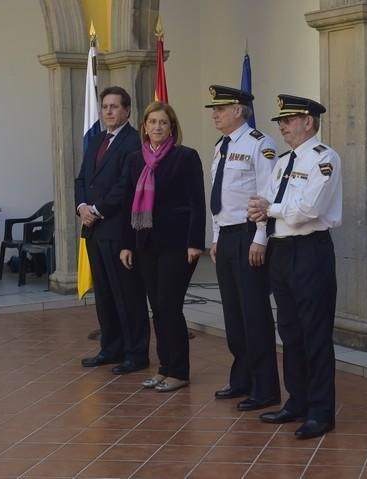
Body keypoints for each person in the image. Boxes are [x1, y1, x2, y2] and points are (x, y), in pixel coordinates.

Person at [247, 94, 342, 439]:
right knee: (289, 330)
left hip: (310, 251)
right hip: (282, 250)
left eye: (289, 120)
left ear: (309, 122)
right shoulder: (283, 161)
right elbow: (266, 202)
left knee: (315, 333)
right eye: (281, 122)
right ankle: (297, 400)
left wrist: (268, 208)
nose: (283, 126)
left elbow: (310, 208)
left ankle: (321, 411)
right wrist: (262, 222)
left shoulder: (324, 159)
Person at [120, 101, 205, 392]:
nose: (157, 127)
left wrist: (195, 242)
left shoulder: (185, 157)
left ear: (172, 128)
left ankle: (179, 371)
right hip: (145, 244)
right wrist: (126, 245)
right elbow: (128, 205)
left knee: (170, 305)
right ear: (144, 126)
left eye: (163, 123)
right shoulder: (135, 160)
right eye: (153, 122)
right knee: (157, 306)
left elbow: (197, 202)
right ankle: (164, 368)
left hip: (177, 245)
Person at [205, 85, 280, 410]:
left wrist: (261, 237)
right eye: (214, 109)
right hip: (227, 237)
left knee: (255, 315)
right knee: (234, 317)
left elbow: (266, 195)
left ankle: (265, 389)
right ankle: (242, 379)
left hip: (250, 236)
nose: (214, 114)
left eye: (220, 109)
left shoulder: (259, 145)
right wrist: (216, 236)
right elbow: (220, 198)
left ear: (238, 110)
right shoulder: (221, 146)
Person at [75, 86, 150, 375]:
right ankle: (111, 348)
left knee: (127, 294)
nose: (108, 111)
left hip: (118, 229)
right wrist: (81, 205)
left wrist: (95, 210)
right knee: (105, 293)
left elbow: (125, 185)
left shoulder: (134, 142)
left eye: (114, 107)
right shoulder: (96, 140)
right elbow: (82, 178)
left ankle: (136, 352)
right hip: (94, 230)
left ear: (127, 111)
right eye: (105, 106)